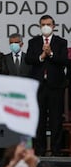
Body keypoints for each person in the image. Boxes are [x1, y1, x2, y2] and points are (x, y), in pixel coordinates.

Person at [25, 15, 68, 156]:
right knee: (39, 120)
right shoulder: (34, 41)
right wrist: (41, 56)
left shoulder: (61, 42)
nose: (46, 26)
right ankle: (40, 150)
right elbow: (28, 59)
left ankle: (56, 151)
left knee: (56, 119)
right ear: (39, 26)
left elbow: (64, 61)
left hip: (55, 86)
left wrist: (51, 54)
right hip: (38, 86)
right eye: (43, 24)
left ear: (54, 26)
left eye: (48, 24)